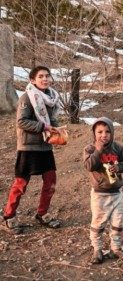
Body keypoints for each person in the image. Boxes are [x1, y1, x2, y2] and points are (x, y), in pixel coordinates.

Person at [2, 66, 62, 234]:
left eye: (47, 76)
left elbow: (51, 120)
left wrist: (57, 129)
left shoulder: (50, 97)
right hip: (28, 147)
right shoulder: (27, 98)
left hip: (45, 146)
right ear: (32, 80)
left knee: (50, 181)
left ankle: (42, 214)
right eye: (41, 76)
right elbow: (21, 121)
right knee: (21, 183)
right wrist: (43, 126)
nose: (45, 79)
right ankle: (8, 217)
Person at [83, 117, 123, 264]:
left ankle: (115, 248)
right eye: (99, 132)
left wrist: (119, 167)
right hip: (99, 194)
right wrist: (98, 150)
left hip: (116, 193)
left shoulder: (117, 148)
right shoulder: (90, 149)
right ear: (94, 133)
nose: (103, 135)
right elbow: (89, 166)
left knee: (117, 222)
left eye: (107, 132)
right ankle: (97, 249)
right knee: (98, 222)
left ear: (112, 133)